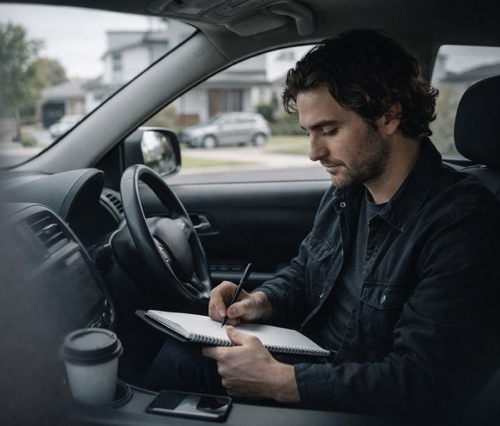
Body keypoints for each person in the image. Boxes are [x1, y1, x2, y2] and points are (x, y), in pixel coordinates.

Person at [143, 29, 500, 420]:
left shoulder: (462, 223)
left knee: (175, 364)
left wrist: (279, 382)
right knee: (177, 350)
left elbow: (421, 380)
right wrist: (261, 301)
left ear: (390, 114)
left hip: (360, 402)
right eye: (309, 133)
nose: (314, 153)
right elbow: (304, 271)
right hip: (315, 361)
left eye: (329, 131)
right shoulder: (348, 191)